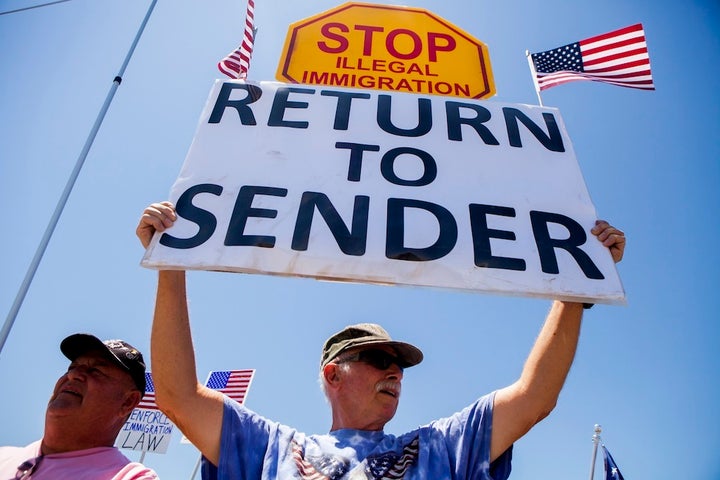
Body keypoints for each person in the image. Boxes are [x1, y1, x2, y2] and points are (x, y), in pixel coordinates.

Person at [137, 201, 626, 480]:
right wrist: (170, 265)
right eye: (377, 359)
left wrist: (575, 292)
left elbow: (534, 397)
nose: (394, 371)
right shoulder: (268, 447)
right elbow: (178, 397)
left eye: (400, 365)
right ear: (333, 373)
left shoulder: (442, 448)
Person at [0, 334, 159, 479]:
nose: (73, 375)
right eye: (72, 368)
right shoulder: (4, 456)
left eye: (95, 370)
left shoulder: (130, 477)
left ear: (128, 402)